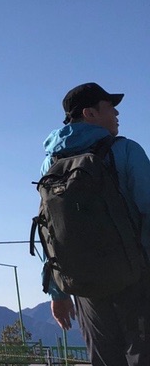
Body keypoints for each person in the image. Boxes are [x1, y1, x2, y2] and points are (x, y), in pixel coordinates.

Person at [42, 83, 150, 366]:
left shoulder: (51, 163)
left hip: (84, 283)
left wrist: (58, 290)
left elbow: (49, 228)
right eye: (109, 106)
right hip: (136, 277)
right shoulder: (125, 150)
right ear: (89, 113)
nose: (116, 112)